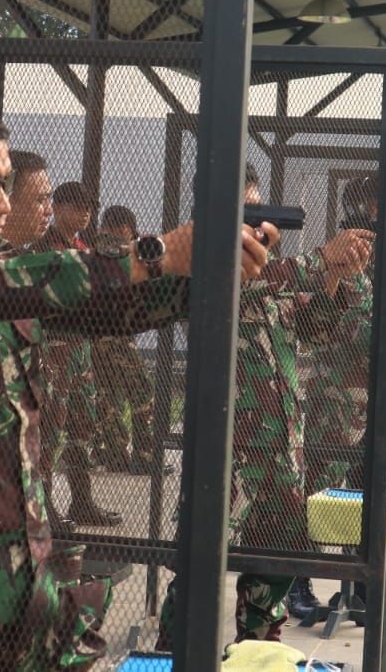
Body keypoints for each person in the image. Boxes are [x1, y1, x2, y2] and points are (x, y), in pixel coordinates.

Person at [0, 94, 273, 670]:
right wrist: (156, 252)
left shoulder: (0, 269)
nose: (3, 205)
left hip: (15, 594)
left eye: (7, 186)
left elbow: (111, 308)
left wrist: (211, 271)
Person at [157, 163, 374, 647]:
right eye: (247, 214)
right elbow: (260, 281)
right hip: (228, 449)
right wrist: (321, 259)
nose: (256, 226)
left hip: (280, 447)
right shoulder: (205, 263)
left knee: (276, 563)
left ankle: (256, 652)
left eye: (258, 213)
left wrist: (333, 276)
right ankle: (172, 653)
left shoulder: (269, 274)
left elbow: (315, 329)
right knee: (198, 563)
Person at [32, 182, 119, 525]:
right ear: (57, 207)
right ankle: (44, 507)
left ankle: (82, 502)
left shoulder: (85, 248)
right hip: (54, 351)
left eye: (89, 207)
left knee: (83, 427)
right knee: (50, 430)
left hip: (80, 351)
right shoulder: (42, 247)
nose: (85, 213)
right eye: (77, 206)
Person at [88, 205, 162, 475]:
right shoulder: (120, 250)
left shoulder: (90, 250)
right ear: (124, 229)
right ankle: (145, 455)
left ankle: (115, 454)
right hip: (116, 334)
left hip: (94, 334)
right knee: (142, 391)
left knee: (108, 396)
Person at [0, 149, 52, 248]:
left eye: (48, 198)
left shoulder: (23, 255)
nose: (49, 211)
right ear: (7, 202)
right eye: (40, 200)